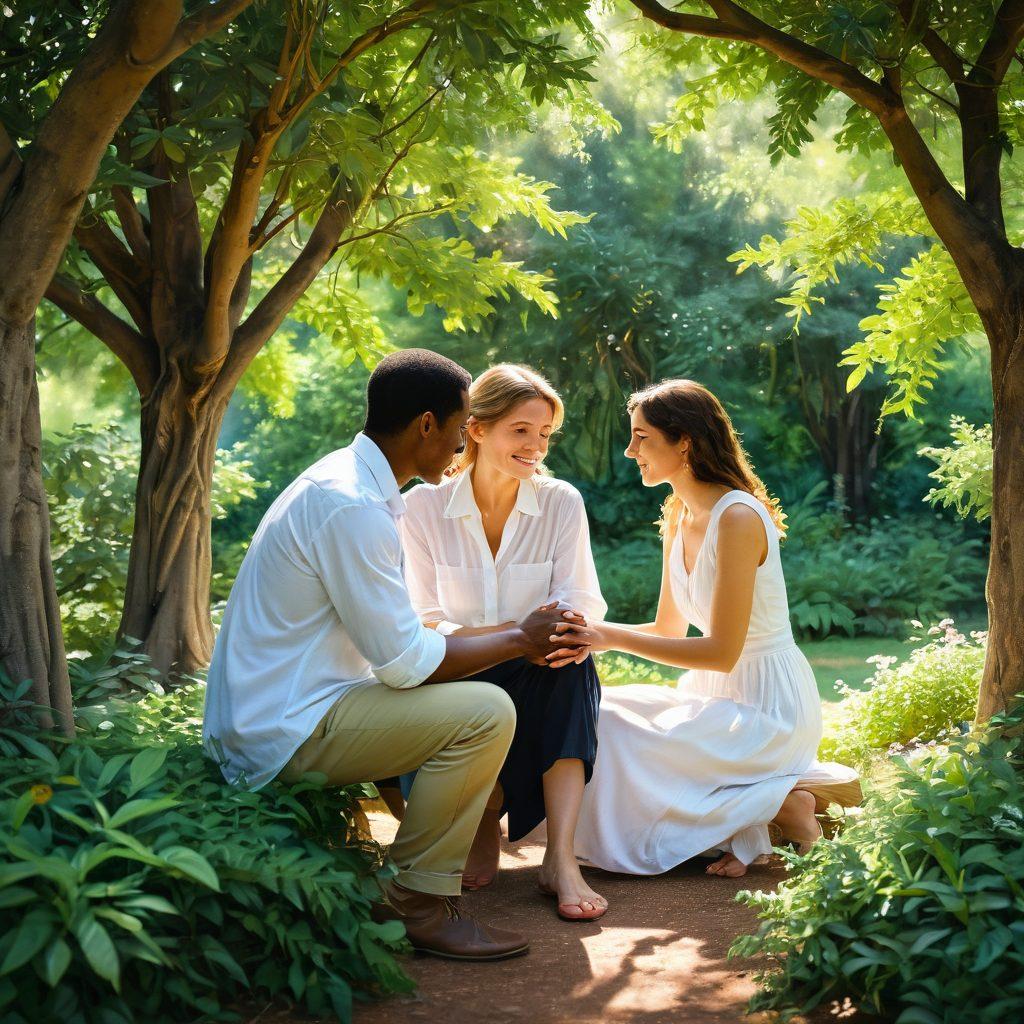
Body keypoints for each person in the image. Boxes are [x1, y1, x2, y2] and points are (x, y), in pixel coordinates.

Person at [202, 349, 588, 961]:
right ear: (426, 425)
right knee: (484, 711)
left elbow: (404, 639)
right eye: (462, 429)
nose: (465, 445)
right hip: (283, 728)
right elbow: (407, 663)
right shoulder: (351, 506)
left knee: (475, 694)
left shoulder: (354, 485)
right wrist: (519, 638)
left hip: (297, 705)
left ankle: (421, 876)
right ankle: (417, 904)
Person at [548, 379, 861, 878]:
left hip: (767, 705)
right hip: (713, 695)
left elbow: (720, 652)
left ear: (685, 441)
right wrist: (585, 631)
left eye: (642, 437)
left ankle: (779, 803)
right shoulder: (677, 513)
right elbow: (670, 629)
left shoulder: (737, 517)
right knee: (600, 712)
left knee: (621, 733)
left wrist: (605, 636)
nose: (630, 451)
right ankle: (761, 810)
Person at [400, 364, 609, 921]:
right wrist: (516, 636)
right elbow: (422, 618)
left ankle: (560, 859)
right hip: (456, 665)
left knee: (572, 665)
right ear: (476, 429)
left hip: (541, 667)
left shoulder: (561, 502)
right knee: (514, 665)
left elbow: (580, 597)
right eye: (521, 430)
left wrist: (561, 631)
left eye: (544, 434)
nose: (535, 446)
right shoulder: (421, 507)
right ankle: (483, 818)